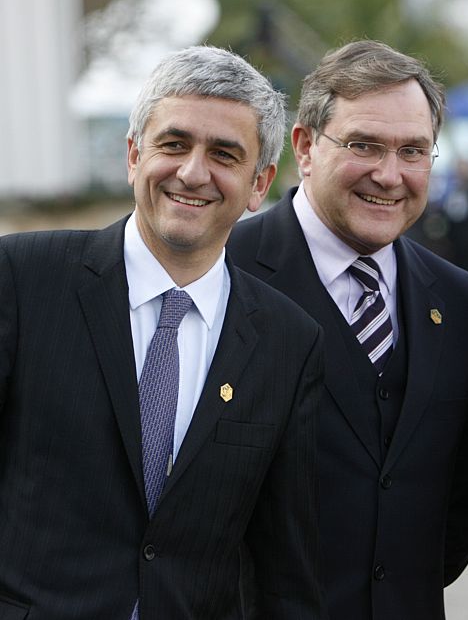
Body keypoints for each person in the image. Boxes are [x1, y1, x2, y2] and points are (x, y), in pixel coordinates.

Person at [0, 46, 325, 618]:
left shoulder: (288, 342)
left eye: (225, 154)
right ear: (133, 155)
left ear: (260, 184)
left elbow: (286, 567)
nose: (193, 172)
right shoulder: (24, 280)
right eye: (174, 144)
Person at [228, 40, 468, 620]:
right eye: (364, 145)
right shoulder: (222, 276)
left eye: (413, 151)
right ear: (305, 146)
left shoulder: (465, 303)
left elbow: (467, 497)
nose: (389, 175)